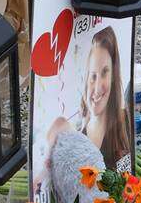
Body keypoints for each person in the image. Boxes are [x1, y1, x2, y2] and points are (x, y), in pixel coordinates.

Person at [47, 26, 132, 167]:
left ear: (113, 76)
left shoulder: (125, 122)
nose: (97, 87)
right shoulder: (75, 135)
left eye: (104, 73)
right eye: (93, 76)